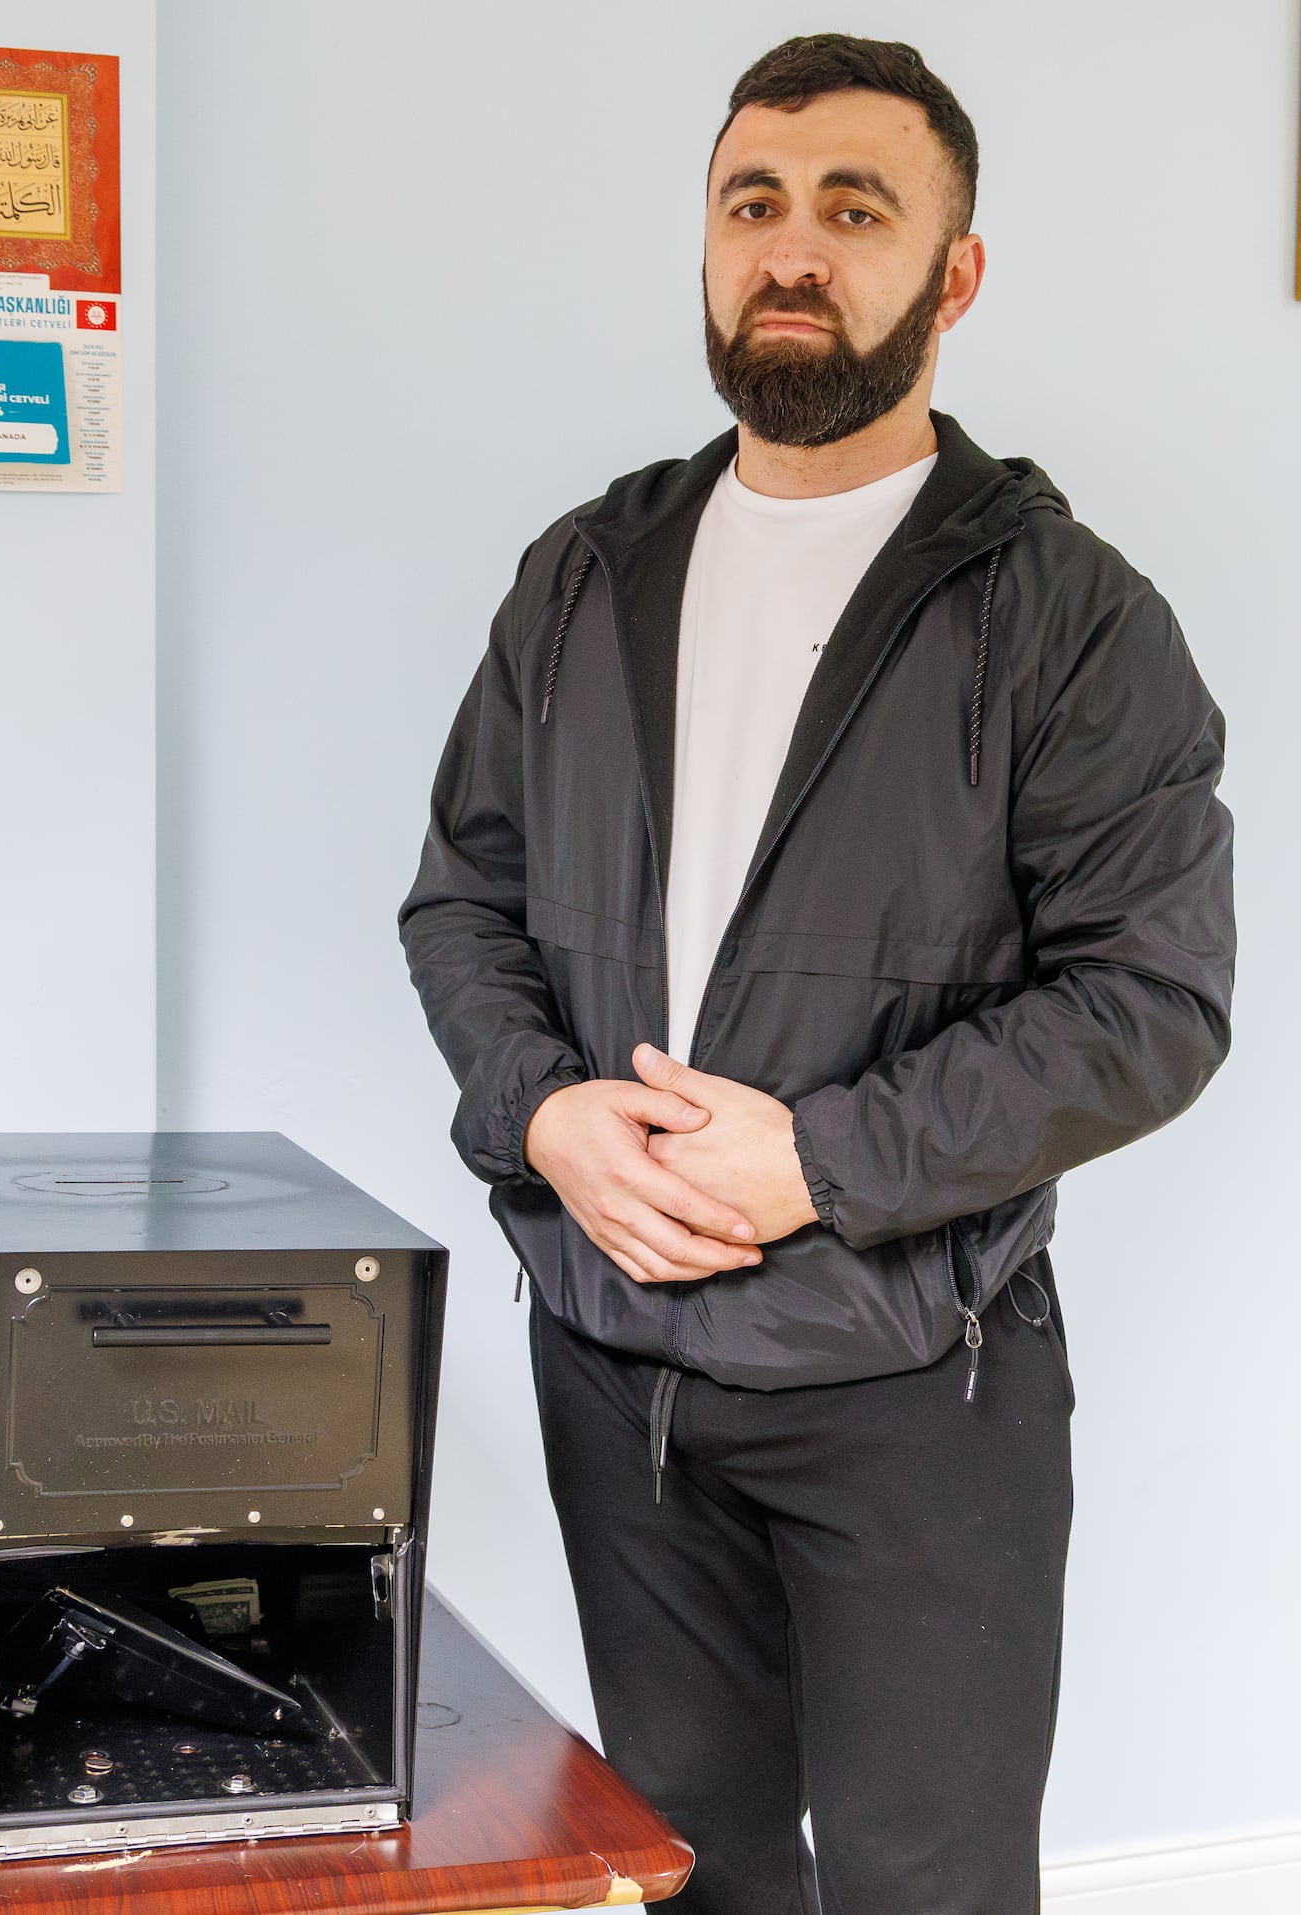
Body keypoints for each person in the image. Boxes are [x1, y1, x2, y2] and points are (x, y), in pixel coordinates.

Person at [398, 32, 1235, 1915]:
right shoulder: (583, 575)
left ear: (955, 273)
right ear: (706, 247)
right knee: (688, 1874)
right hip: (619, 1372)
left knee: (922, 1882)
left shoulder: (1070, 616)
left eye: (855, 210)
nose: (794, 248)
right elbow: (462, 902)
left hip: (915, 1387)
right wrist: (548, 1118)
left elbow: (1157, 1001)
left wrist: (823, 1165)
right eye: (752, 204)